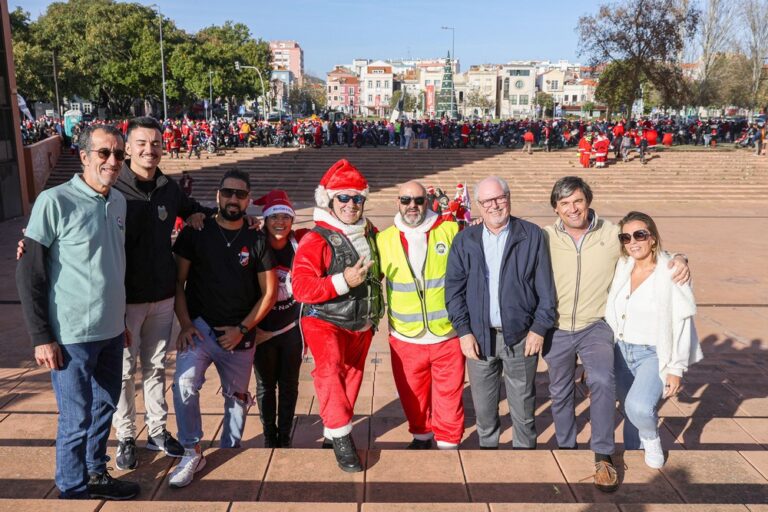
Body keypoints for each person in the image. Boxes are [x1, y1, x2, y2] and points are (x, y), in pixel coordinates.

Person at [542, 176, 690, 493]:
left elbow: (647, 247)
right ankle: (566, 446)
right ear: (555, 208)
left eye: (578, 201)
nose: (572, 208)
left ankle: (604, 455)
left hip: (596, 324)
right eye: (564, 203)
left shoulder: (611, 234)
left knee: (601, 381)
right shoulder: (544, 237)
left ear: (588, 201)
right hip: (557, 325)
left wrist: (680, 258)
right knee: (559, 390)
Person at [16, 124, 140, 500]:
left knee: (104, 409)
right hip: (70, 335)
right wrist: (42, 337)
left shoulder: (118, 201)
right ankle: (71, 484)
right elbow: (30, 273)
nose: (112, 161)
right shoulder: (54, 201)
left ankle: (95, 471)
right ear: (84, 156)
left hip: (110, 330)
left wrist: (120, 320)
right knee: (76, 415)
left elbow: (110, 265)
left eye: (119, 154)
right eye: (104, 153)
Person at [112, 117, 213, 471]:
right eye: (141, 143)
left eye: (155, 143)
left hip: (162, 295)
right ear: (128, 147)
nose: (149, 150)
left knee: (155, 367)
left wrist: (231, 217)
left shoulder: (169, 188)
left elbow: (195, 209)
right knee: (124, 370)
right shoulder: (113, 186)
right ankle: (125, 435)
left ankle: (156, 430)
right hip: (123, 299)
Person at [168, 169, 277, 488]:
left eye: (240, 194)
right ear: (217, 195)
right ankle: (192, 450)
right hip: (199, 329)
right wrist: (186, 323)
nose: (233, 199)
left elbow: (269, 293)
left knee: (237, 398)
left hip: (239, 335)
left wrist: (242, 330)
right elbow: (178, 280)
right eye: (228, 192)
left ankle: (230, 447)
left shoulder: (257, 238)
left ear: (248, 199)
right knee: (184, 384)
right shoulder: (196, 232)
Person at [445, 176, 556, 450]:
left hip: (520, 336)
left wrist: (539, 328)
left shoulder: (531, 235)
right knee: (484, 410)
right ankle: (488, 453)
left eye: (499, 198)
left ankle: (525, 454)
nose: (494, 206)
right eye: (487, 201)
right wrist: (463, 332)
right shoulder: (465, 240)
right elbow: (453, 291)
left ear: (508, 198)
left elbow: (546, 288)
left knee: (523, 408)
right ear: (479, 206)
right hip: (479, 337)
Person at [292, 159, 384, 473]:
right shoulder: (316, 238)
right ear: (329, 200)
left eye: (357, 198)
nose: (351, 204)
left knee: (353, 378)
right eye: (343, 197)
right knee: (329, 371)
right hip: (324, 318)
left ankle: (332, 431)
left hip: (362, 320)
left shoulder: (370, 231)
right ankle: (343, 436)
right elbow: (301, 288)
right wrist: (344, 281)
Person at [605, 211, 702, 469]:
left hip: (653, 353)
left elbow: (682, 323)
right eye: (626, 237)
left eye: (640, 235)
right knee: (627, 409)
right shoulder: (623, 266)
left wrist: (676, 368)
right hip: (621, 351)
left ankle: (651, 438)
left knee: (638, 406)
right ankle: (635, 457)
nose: (633, 242)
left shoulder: (671, 271)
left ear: (653, 238)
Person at [376, 181, 465, 450]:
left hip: (446, 332)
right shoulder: (384, 238)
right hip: (405, 335)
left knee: (449, 394)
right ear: (398, 202)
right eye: (406, 200)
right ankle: (422, 436)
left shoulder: (450, 230)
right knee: (412, 394)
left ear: (427, 201)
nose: (412, 206)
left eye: (418, 200)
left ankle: (449, 443)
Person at [251, 190, 309, 448]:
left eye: (285, 216)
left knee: (289, 385)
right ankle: (269, 436)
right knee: (265, 384)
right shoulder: (255, 241)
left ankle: (284, 437)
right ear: (264, 219)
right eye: (274, 216)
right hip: (262, 329)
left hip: (290, 329)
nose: (280, 222)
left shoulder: (300, 242)